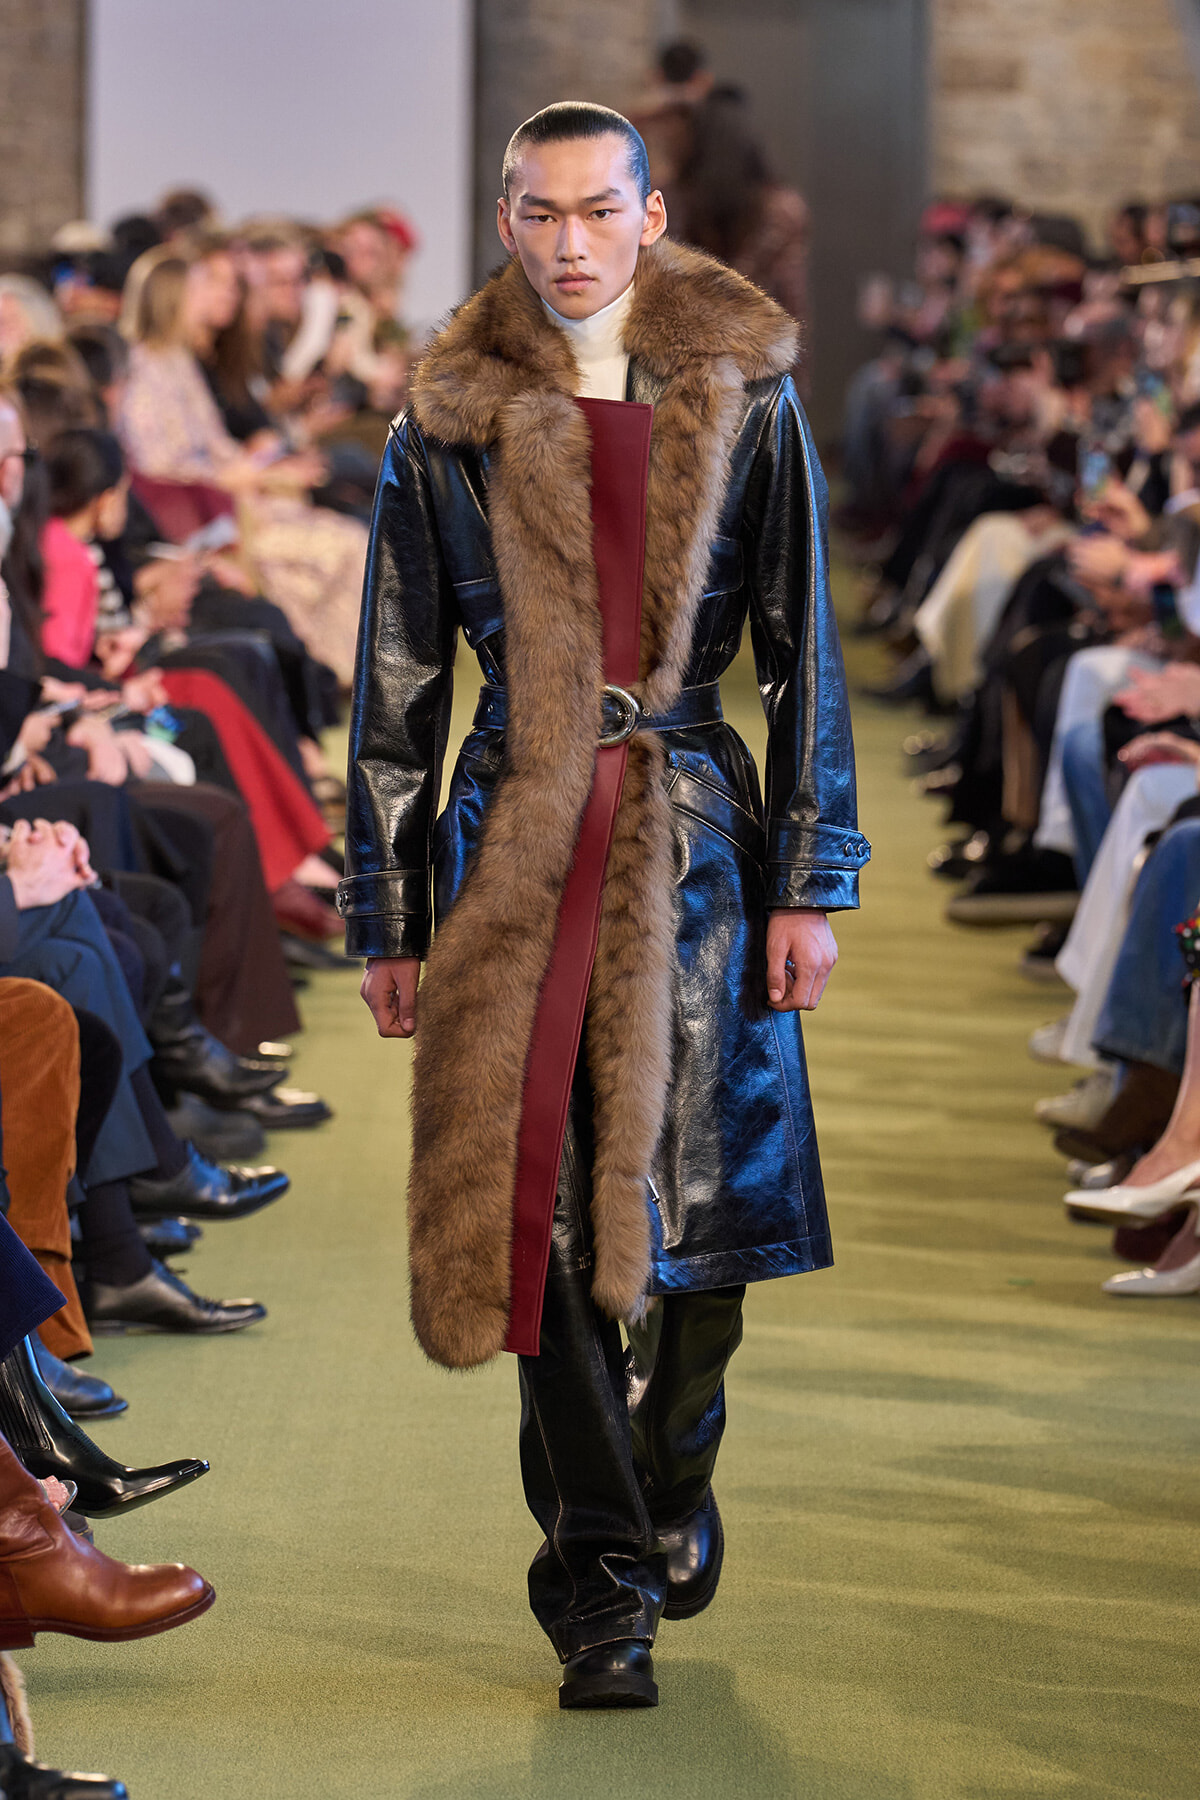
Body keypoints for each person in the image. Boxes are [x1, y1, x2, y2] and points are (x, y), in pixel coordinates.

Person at [340, 103, 868, 1709]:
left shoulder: (744, 393)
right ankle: (601, 1578)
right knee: (541, 1226)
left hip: (698, 831)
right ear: (503, 219)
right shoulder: (449, 411)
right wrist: (385, 903)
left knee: (706, 1213)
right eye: (536, 211)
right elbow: (400, 669)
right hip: (512, 835)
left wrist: (810, 877)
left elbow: (804, 646)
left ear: (649, 218)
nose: (566, 239)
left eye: (596, 209)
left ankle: (675, 1464)